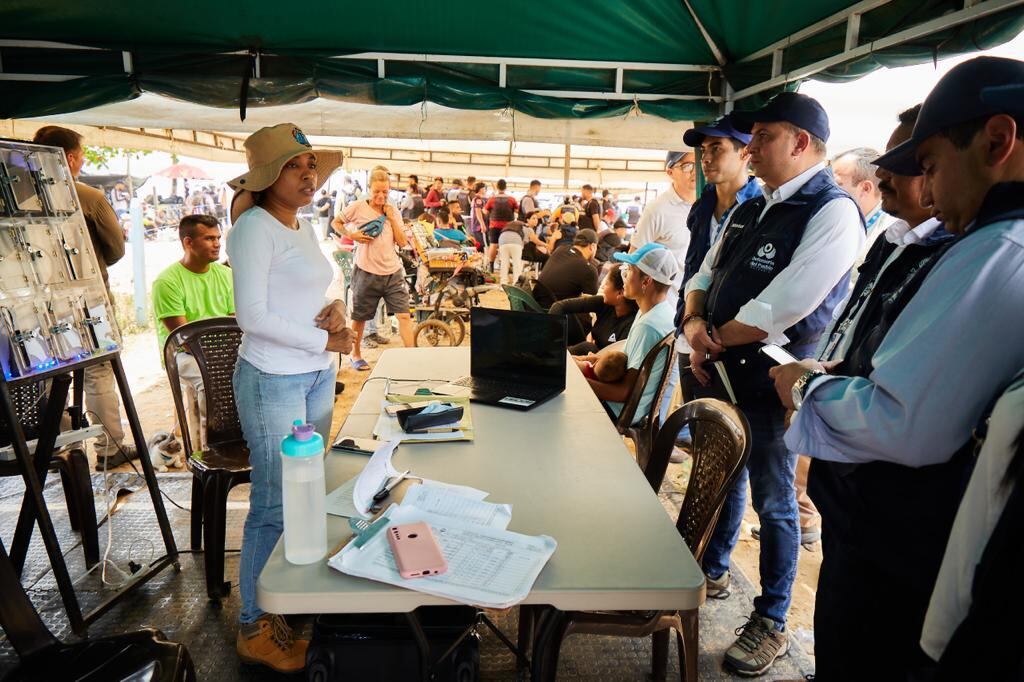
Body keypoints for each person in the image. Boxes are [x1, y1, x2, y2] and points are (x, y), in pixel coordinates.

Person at [771, 56, 1024, 681]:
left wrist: (806, 385)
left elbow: (902, 419)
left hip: (905, 544)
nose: (928, 190)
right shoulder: (977, 243)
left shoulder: (998, 250)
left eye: (930, 164)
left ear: (996, 141)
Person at [681, 92, 863, 676]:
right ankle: (712, 567)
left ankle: (773, 619)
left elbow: (781, 306)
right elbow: (705, 270)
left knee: (776, 502)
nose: (751, 148)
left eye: (762, 137)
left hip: (771, 384)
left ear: (801, 143)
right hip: (716, 367)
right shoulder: (752, 206)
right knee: (723, 479)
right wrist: (693, 322)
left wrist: (711, 335)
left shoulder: (831, 212)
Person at [224, 123, 353, 674]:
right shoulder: (253, 227)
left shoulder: (298, 224)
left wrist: (335, 311)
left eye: (311, 165)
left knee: (305, 493)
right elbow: (250, 316)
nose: (309, 174)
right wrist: (325, 338)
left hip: (314, 374)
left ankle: (286, 603)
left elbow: (307, 291)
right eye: (296, 166)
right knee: (274, 502)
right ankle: (254, 624)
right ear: (267, 176)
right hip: (274, 378)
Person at [32, 126, 135, 468]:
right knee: (99, 372)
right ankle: (110, 449)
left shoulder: (15, 198)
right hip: (88, 299)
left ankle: (61, 450)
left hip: (34, 306)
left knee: (49, 374)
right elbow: (117, 249)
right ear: (72, 157)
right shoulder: (88, 196)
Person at [151, 214, 235, 451]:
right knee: (210, 382)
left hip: (222, 349)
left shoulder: (226, 275)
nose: (217, 244)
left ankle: (243, 441)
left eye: (218, 238)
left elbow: (234, 323)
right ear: (188, 243)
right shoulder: (167, 282)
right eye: (209, 238)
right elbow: (183, 337)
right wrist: (221, 356)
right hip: (184, 354)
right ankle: (212, 450)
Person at [580, 244, 678, 423]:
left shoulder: (648, 326)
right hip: (634, 406)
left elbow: (623, 393)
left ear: (646, 281)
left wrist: (578, 381)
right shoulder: (661, 311)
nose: (623, 276)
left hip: (619, 410)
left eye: (629, 270)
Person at [340, 167, 415, 370]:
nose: (381, 196)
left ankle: (413, 357)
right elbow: (336, 222)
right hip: (366, 271)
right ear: (369, 189)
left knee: (404, 316)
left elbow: (401, 242)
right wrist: (352, 235)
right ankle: (355, 355)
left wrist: (391, 217)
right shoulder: (357, 207)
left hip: (392, 272)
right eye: (377, 192)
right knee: (360, 318)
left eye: (385, 192)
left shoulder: (394, 211)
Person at [549, 265, 638, 354]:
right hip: (587, 351)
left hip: (601, 362)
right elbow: (559, 306)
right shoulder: (603, 302)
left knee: (588, 348)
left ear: (620, 293)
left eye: (606, 284)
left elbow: (615, 360)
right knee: (568, 317)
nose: (602, 288)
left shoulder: (632, 324)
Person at [830, 147, 894, 267]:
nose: (827, 191)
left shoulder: (891, 235)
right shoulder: (834, 219)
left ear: (865, 189)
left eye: (836, 184)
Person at [533, 228, 599, 309]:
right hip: (554, 313)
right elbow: (591, 303)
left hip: (535, 304)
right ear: (592, 246)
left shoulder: (560, 249)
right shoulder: (589, 269)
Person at [496, 213, 544, 285]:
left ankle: (503, 284)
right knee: (517, 264)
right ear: (527, 220)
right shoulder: (527, 227)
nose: (536, 221)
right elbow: (536, 241)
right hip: (516, 241)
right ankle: (516, 283)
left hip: (502, 240)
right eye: (533, 218)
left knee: (504, 263)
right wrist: (546, 245)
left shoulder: (512, 225)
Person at [484, 179, 518, 269]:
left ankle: (491, 265)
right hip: (508, 226)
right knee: (507, 245)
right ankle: (506, 266)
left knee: (493, 244)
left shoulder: (491, 199)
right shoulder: (512, 199)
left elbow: (485, 211)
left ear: (497, 187)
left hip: (494, 226)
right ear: (506, 187)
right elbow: (518, 210)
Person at [467, 181, 488, 249]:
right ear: (481, 189)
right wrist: (482, 224)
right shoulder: (478, 199)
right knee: (481, 245)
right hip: (478, 226)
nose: (485, 190)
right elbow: (478, 212)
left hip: (477, 226)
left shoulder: (477, 198)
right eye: (484, 188)